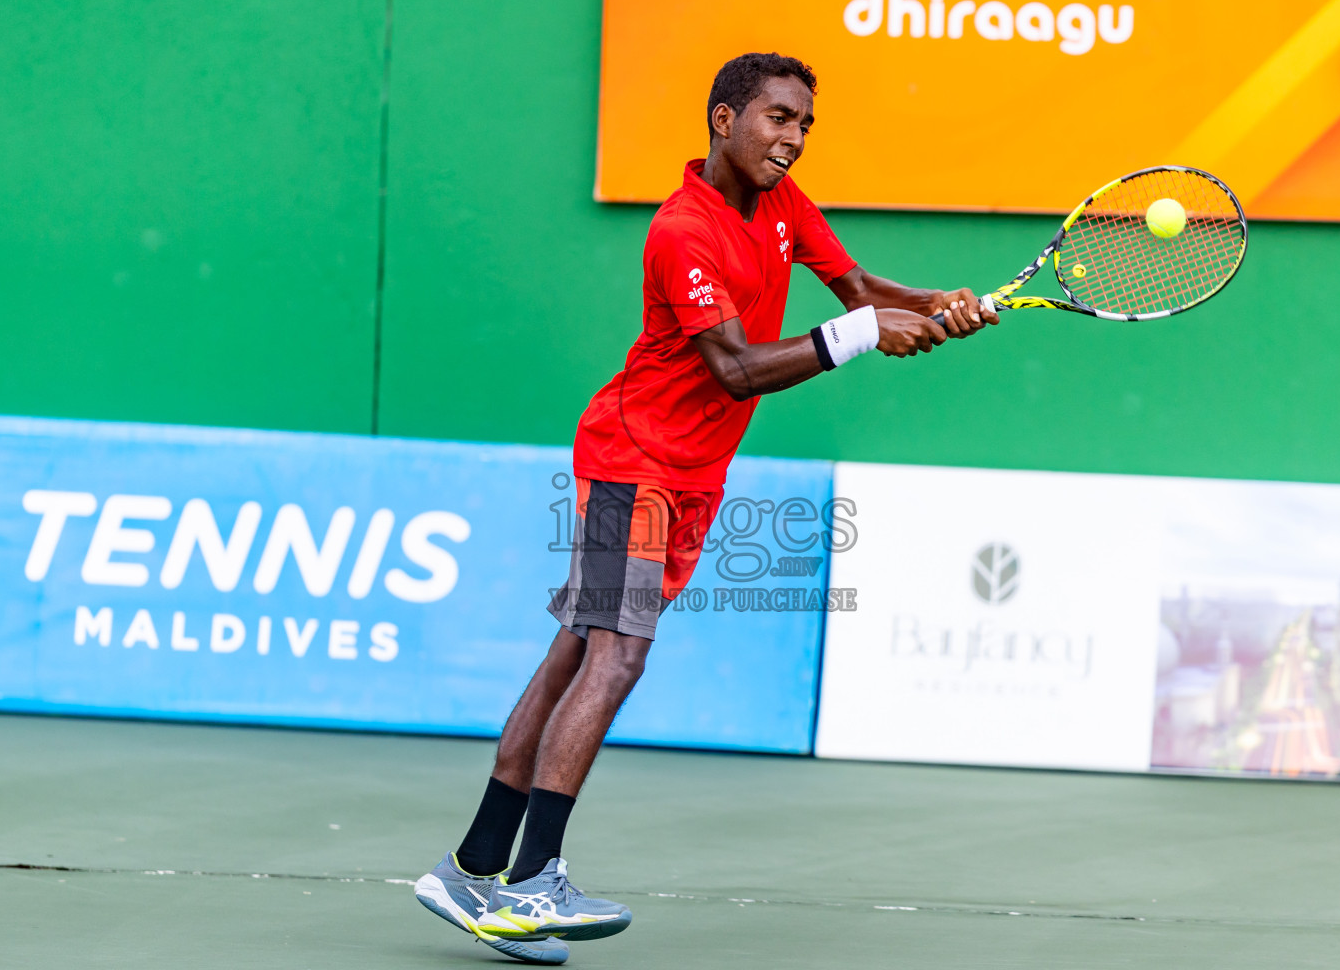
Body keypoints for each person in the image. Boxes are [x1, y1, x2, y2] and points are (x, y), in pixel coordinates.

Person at [415, 51, 997, 964]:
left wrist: (934, 303)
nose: (793, 139)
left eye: (805, 123)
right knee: (618, 653)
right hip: (633, 458)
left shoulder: (783, 206)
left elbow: (855, 291)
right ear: (724, 119)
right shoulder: (684, 230)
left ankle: (474, 865)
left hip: (692, 472)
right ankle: (530, 884)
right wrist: (859, 337)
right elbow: (733, 369)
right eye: (777, 118)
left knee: (582, 644)